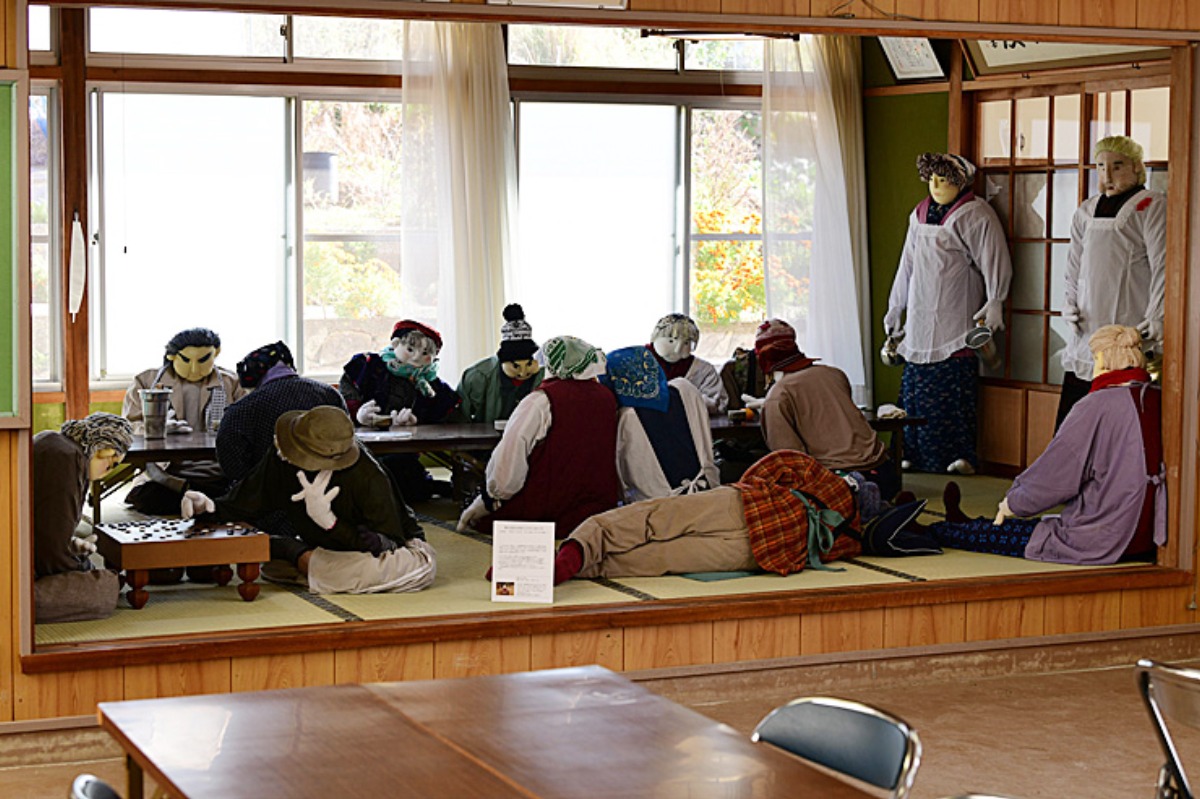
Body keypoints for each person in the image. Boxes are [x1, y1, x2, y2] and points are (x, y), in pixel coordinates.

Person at [930, 325, 1163, 565]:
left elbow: (1058, 470)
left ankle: (931, 531)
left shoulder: (1096, 405)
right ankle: (963, 521)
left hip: (1102, 533)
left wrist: (1015, 501)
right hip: (1149, 534)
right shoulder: (1157, 398)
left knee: (1007, 535)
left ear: (1104, 359)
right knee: (1033, 526)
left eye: (1095, 358)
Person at [184, 406, 436, 594]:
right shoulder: (282, 454)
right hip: (323, 547)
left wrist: (329, 522)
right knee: (280, 568)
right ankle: (302, 558)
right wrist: (208, 506)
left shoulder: (368, 477)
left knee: (391, 568)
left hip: (386, 550)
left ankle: (297, 556)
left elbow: (387, 544)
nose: (285, 450)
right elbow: (248, 500)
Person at [548, 451, 860, 583]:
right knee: (662, 558)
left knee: (653, 517)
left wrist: (747, 488)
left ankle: (572, 555)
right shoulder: (853, 540)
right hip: (762, 553)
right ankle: (578, 570)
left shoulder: (830, 483)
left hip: (745, 505)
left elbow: (776, 463)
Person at [885, 153, 1012, 475]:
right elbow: (906, 265)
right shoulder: (918, 215)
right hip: (919, 315)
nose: (937, 186)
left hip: (956, 314)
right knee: (914, 392)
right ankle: (911, 451)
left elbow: (994, 258)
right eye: (933, 179)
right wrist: (895, 306)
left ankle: (961, 454)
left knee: (952, 394)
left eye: (944, 180)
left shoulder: (976, 214)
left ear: (961, 182)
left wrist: (996, 299)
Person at [457, 335, 620, 537]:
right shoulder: (607, 397)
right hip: (597, 509)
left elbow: (511, 453)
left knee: (481, 520)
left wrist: (491, 498)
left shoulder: (541, 400)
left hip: (550, 506)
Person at [1057, 135, 1165, 429]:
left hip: (1129, 324)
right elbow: (1073, 266)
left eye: (1117, 166)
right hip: (1086, 327)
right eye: (1101, 167)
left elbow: (1163, 266)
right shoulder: (1085, 210)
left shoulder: (1151, 205)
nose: (1108, 175)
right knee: (1074, 420)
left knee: (1119, 418)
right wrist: (1068, 303)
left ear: (1136, 167)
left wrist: (1157, 315)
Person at [755, 319, 898, 501]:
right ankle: (880, 502)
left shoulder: (778, 395)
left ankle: (862, 501)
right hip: (883, 468)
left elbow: (790, 459)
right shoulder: (835, 374)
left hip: (839, 477)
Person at [122, 327, 246, 514]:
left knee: (240, 495)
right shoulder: (147, 381)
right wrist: (157, 428)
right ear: (172, 356)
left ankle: (202, 502)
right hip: (166, 473)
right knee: (148, 497)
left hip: (219, 472)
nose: (194, 368)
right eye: (186, 360)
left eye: (203, 359)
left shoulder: (232, 383)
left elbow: (246, 424)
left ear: (216, 353)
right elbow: (129, 427)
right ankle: (198, 501)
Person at [339, 319, 461, 501]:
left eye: (425, 353)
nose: (416, 357)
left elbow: (445, 413)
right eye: (410, 349)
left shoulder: (429, 384)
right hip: (363, 445)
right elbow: (345, 393)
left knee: (404, 471)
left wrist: (415, 421)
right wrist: (357, 413)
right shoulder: (369, 365)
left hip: (404, 448)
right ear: (396, 344)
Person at [33, 413, 132, 623]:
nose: (109, 469)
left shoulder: (55, 443)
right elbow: (50, 549)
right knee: (105, 587)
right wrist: (82, 567)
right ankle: (16, 602)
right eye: (111, 462)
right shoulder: (65, 459)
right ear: (100, 449)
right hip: (14, 568)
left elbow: (47, 527)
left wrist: (71, 547)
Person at [215, 340, 346, 485]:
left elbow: (231, 465)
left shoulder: (242, 410)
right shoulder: (329, 394)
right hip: (330, 483)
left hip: (266, 490)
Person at [603, 345, 719, 504]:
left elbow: (626, 479)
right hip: (707, 493)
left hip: (661, 506)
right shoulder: (685, 390)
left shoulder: (627, 417)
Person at [458, 303, 544, 424]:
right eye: (516, 366)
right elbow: (460, 417)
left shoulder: (545, 375)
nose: (523, 373)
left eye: (529, 364)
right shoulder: (478, 377)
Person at [646, 313, 728, 415]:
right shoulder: (636, 363)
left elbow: (718, 404)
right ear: (655, 337)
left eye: (686, 343)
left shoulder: (703, 370)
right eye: (671, 341)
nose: (677, 350)